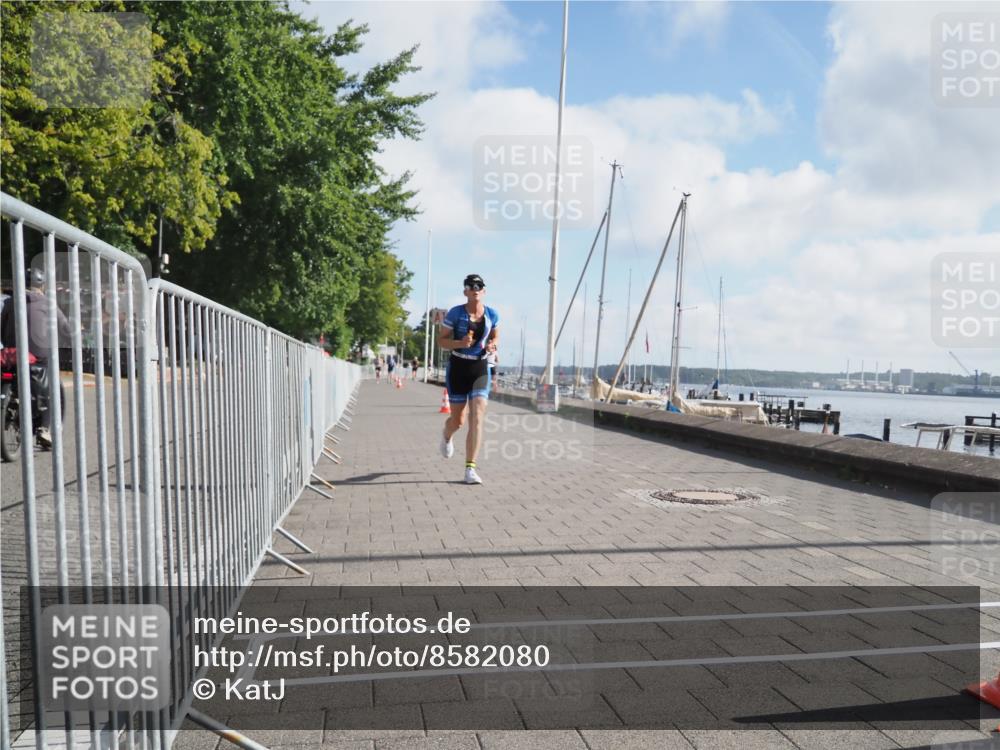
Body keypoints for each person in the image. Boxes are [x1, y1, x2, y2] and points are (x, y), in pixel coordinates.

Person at [0, 266, 72, 448]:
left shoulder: (10, 302)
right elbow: (65, 328)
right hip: (37, 355)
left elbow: (2, 327)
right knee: (51, 385)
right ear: (42, 285)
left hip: (11, 355)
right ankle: (44, 429)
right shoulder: (48, 303)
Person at [438, 273, 499, 484]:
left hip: (479, 367)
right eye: (471, 286)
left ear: (484, 291)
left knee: (477, 415)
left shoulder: (491, 314)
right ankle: (447, 436)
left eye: (479, 286)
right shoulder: (455, 313)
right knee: (458, 421)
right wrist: (459, 343)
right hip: (458, 367)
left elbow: (495, 336)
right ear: (465, 291)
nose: (475, 289)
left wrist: (492, 346)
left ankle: (470, 469)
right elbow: (441, 341)